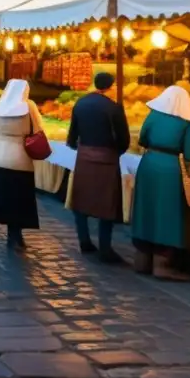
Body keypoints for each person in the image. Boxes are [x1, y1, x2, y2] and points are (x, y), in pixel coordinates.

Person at [131, 85, 190, 280]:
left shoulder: (153, 115)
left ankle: (141, 260)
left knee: (145, 207)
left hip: (148, 164)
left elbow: (142, 139)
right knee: (167, 212)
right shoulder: (186, 123)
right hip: (170, 168)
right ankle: (162, 264)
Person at [66, 72, 130, 263]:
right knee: (107, 203)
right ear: (111, 86)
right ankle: (105, 248)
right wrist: (116, 151)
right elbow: (124, 139)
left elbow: (72, 136)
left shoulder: (80, 104)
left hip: (84, 155)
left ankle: (84, 240)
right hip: (107, 157)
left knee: (81, 199)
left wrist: (80, 146)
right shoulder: (114, 108)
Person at [0, 79, 41, 249]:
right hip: (21, 158)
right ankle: (17, 234)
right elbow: (38, 129)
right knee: (21, 197)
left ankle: (11, 233)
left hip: (1, 157)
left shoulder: (0, 106)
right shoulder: (29, 106)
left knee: (6, 197)